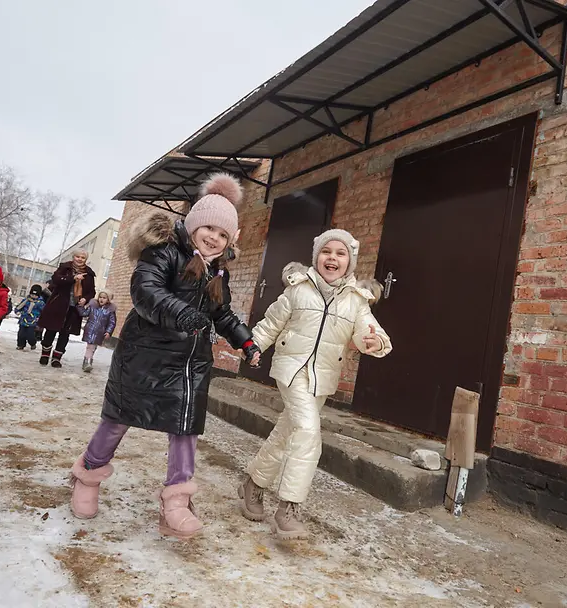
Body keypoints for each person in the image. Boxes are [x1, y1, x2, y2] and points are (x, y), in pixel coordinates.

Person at [68, 173, 260, 540]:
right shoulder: (163, 252)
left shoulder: (218, 271)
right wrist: (182, 313)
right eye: (208, 228)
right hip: (145, 358)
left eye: (222, 234)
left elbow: (222, 313)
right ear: (192, 225)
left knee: (185, 430)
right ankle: (87, 475)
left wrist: (245, 341)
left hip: (189, 365)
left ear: (229, 240)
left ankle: (176, 502)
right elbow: (146, 291)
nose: (213, 238)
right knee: (118, 420)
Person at [238, 229, 392, 540]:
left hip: (322, 377)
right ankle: (289, 506)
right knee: (308, 431)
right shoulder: (297, 290)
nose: (332, 258)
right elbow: (270, 323)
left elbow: (368, 332)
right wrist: (252, 347)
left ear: (349, 262)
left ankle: (253, 484)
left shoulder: (356, 301)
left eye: (340, 253)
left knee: (286, 434)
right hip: (292, 370)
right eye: (326, 252)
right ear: (316, 257)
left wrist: (374, 342)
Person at [39, 251, 96, 367]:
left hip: (74, 308)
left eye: (83, 257)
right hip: (58, 305)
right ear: (73, 257)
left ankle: (56, 358)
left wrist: (85, 299)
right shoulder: (65, 267)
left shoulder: (88, 274)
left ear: (86, 259)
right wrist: (73, 278)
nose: (80, 259)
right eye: (77, 256)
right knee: (51, 330)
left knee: (65, 333)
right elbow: (56, 279)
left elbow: (91, 291)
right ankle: (45, 354)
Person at [77, 291, 117, 372]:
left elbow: (112, 322)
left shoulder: (110, 311)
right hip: (90, 329)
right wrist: (80, 306)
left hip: (100, 332)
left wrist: (108, 332)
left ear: (108, 299)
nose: (101, 299)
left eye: (104, 298)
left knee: (93, 347)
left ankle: (87, 361)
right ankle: (87, 363)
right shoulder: (93, 306)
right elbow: (84, 313)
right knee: (90, 347)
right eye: (100, 297)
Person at [14, 284, 46, 350]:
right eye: (32, 294)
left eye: (35, 295)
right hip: (23, 320)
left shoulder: (40, 303)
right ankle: (21, 345)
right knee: (21, 334)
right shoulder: (26, 300)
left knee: (30, 335)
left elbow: (44, 312)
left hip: (33, 322)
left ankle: (32, 343)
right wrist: (17, 311)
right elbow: (19, 307)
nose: (33, 296)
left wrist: (40, 318)